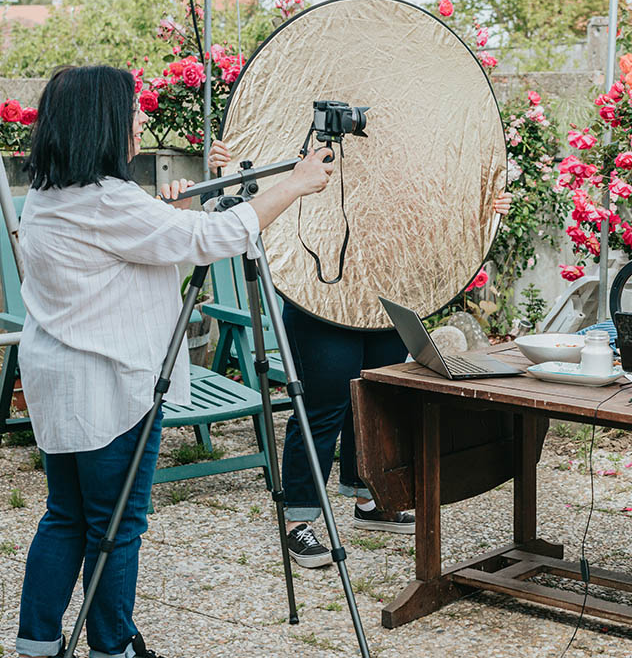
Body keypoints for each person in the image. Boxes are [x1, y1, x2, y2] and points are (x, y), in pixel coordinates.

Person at [14, 65, 333, 658]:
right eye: (132, 112)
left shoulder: (50, 195)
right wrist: (293, 183)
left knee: (66, 514)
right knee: (116, 524)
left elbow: (152, 235)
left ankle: (35, 643)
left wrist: (170, 211)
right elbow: (211, 239)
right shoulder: (107, 202)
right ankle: (112, 647)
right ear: (103, 124)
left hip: (60, 379)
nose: (141, 121)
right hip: (112, 385)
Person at [209, 143, 512, 568]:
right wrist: (235, 153)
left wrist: (484, 204)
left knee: (377, 398)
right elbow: (261, 173)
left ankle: (369, 499)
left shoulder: (401, 136)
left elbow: (435, 190)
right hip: (316, 289)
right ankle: (299, 519)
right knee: (322, 406)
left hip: (386, 284)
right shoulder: (303, 124)